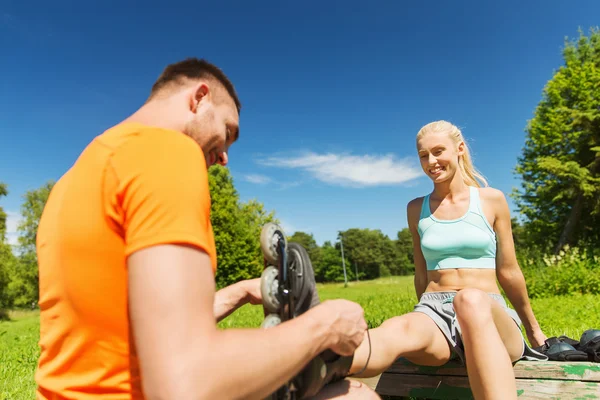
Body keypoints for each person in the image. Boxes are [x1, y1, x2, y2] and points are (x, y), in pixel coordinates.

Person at [35, 58, 379, 400]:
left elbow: (115, 324)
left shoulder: (73, 179)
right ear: (199, 97)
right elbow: (186, 384)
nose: (226, 157)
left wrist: (237, 294)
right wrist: (327, 325)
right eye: (229, 132)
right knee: (356, 396)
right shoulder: (166, 150)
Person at [346, 120, 548, 400]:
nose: (431, 161)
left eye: (438, 151)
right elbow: (421, 275)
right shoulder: (416, 209)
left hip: (487, 310)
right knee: (397, 327)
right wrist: (422, 316)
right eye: (423, 156)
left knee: (469, 300)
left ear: (460, 149)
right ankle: (320, 359)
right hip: (434, 311)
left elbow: (509, 271)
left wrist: (534, 331)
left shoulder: (491, 200)